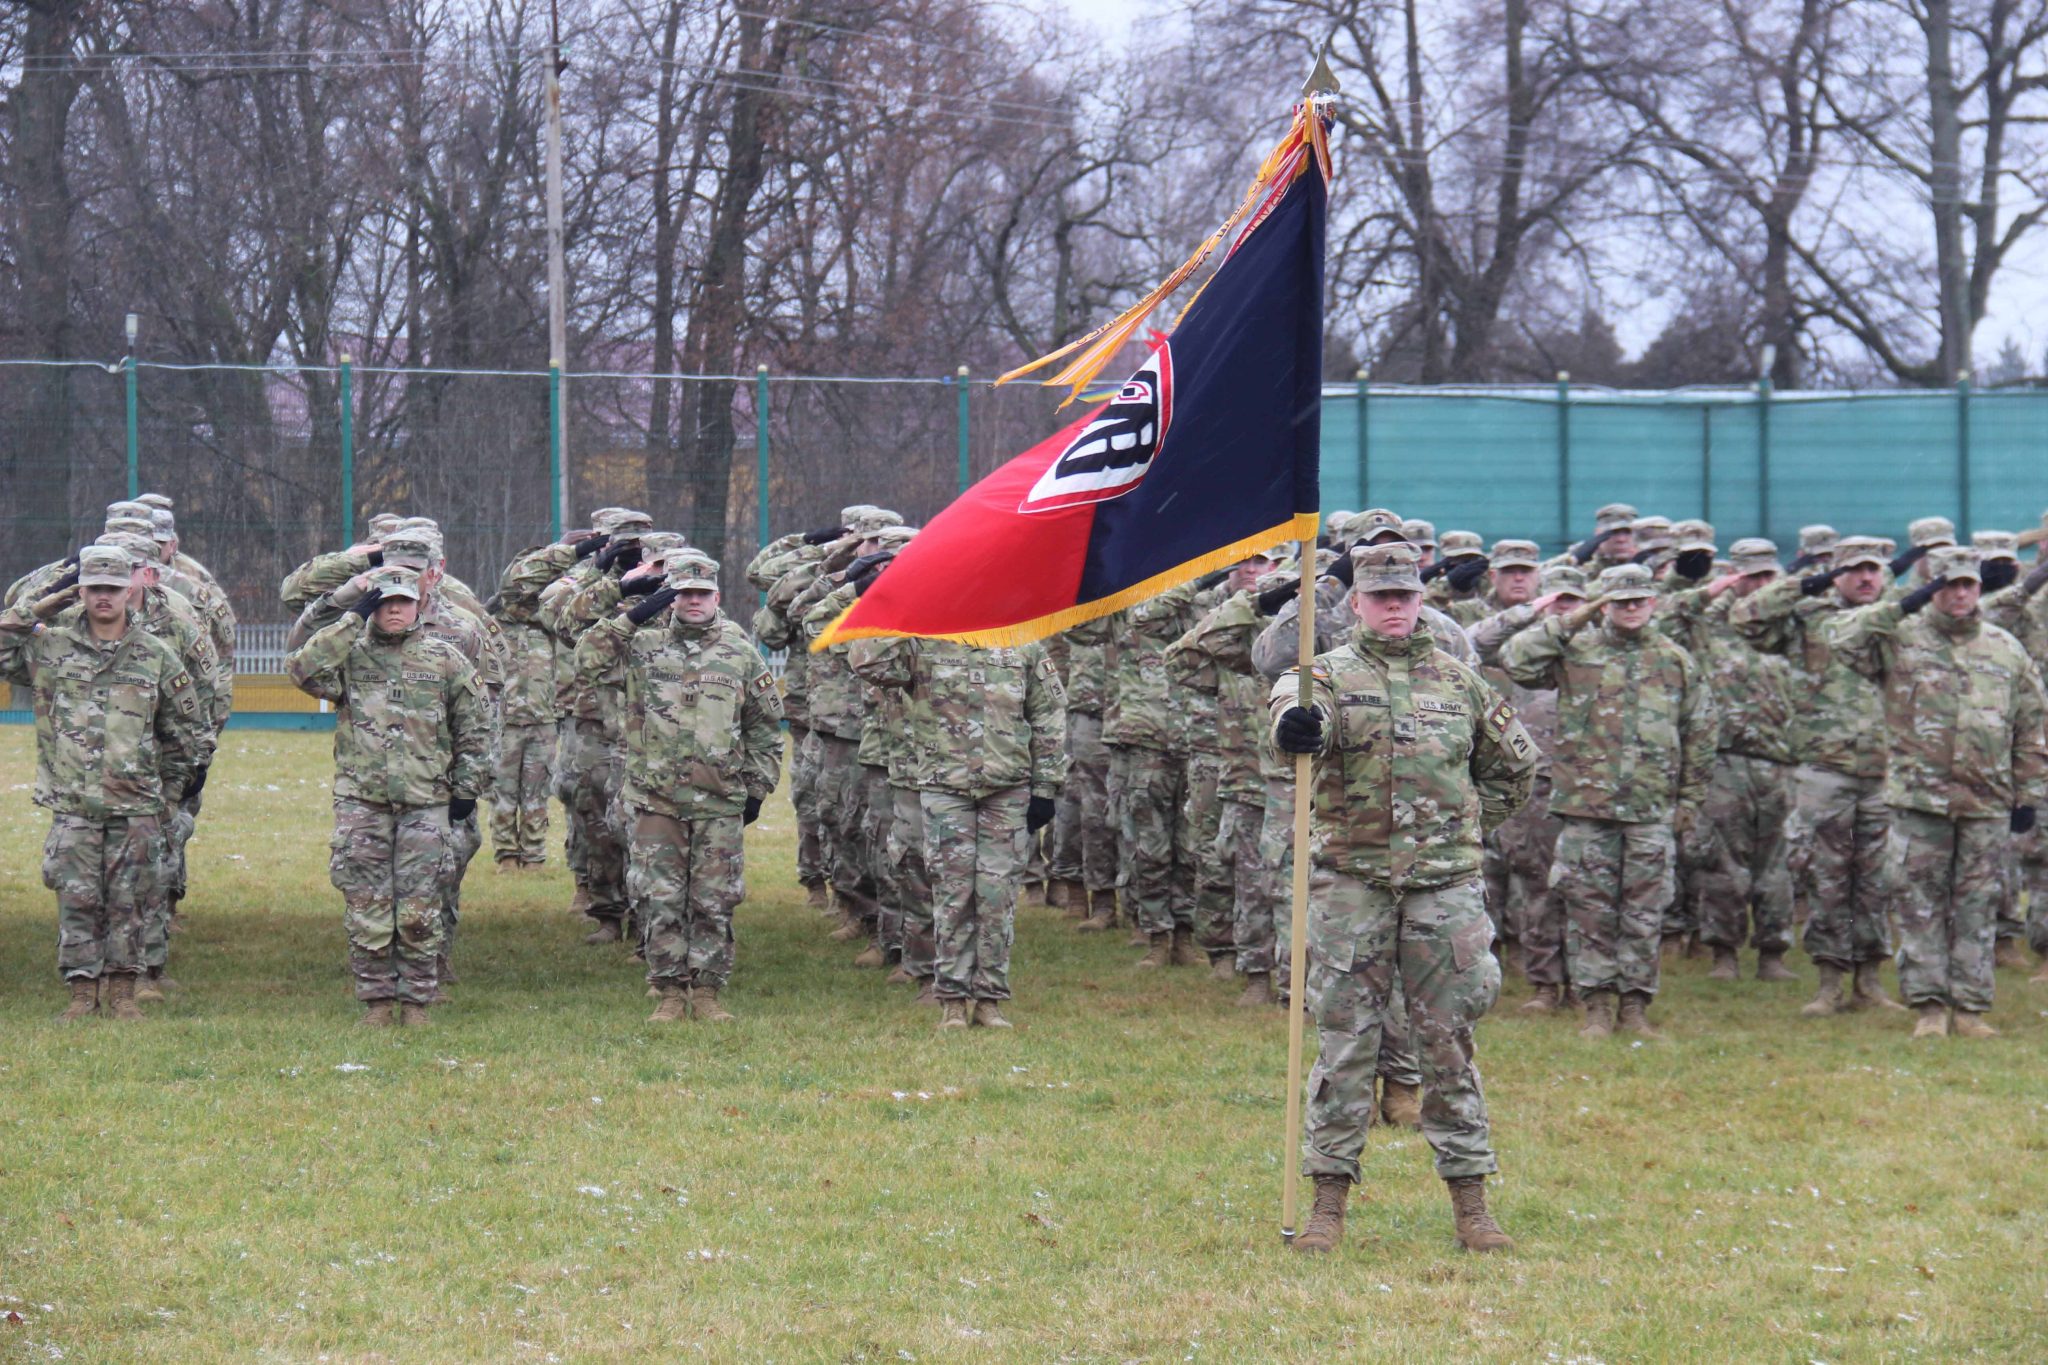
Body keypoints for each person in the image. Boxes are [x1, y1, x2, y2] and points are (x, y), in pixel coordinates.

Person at [1270, 542, 1536, 1255]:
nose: (1394, 606)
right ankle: (1327, 1204)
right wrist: (1298, 728)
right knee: (1345, 1044)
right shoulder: (1322, 675)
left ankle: (1472, 1205)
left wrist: (1463, 828)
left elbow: (1515, 767)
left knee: (1449, 1045)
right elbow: (1293, 723)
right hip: (1352, 885)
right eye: (1381, 595)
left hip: (1443, 892)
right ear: (1356, 602)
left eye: (1405, 595)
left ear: (1422, 600)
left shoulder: (1460, 681)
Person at [1826, 547, 2048, 1038]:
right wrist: (1902, 605)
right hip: (1919, 800)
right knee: (1918, 905)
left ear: (1979, 588)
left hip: (1986, 802)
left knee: (1977, 907)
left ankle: (1969, 1009)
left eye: (1968, 584)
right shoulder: (1899, 639)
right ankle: (1928, 1007)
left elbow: (2032, 724)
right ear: (1932, 589)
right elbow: (1841, 638)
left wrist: (2028, 795)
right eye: (1948, 585)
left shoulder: (2004, 648)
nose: (1960, 594)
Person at [1501, 563, 1716, 1039]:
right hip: (1586, 810)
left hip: (1650, 809)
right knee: (1588, 912)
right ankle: (1595, 1007)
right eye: (1620, 601)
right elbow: (1516, 659)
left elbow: (1700, 731)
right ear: (1603, 605)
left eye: (1639, 599)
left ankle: (1635, 1006)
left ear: (1654, 602)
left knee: (1644, 914)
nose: (1631, 607)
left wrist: (1689, 800)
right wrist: (1574, 618)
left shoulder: (1674, 659)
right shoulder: (1578, 650)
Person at [0, 546, 207, 1021]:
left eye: (113, 588)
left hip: (136, 808)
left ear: (129, 589)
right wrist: (36, 606)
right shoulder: (51, 647)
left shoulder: (155, 654)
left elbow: (182, 734)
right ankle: (81, 992)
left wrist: (168, 797)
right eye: (94, 588)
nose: (104, 597)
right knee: (76, 901)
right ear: (81, 592)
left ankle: (123, 994)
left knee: (130, 902)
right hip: (74, 804)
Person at [575, 551, 782, 1022]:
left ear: (717, 598)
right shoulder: (643, 646)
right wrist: (633, 616)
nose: (693, 601)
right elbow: (587, 659)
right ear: (670, 598)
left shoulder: (739, 653)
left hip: (719, 801)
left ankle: (707, 992)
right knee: (659, 898)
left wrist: (756, 789)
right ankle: (669, 990)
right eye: (683, 593)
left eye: (701, 594)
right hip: (657, 800)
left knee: (715, 900)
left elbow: (766, 728)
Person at [851, 580, 1067, 1028]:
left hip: (1006, 790)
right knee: (951, 894)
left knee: (996, 896)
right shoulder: (925, 641)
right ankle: (950, 997)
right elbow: (866, 661)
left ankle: (989, 999)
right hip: (945, 789)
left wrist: (1045, 787)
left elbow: (1048, 714)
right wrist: (903, 602)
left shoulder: (1023, 641)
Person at [288, 565, 490, 1026]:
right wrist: (350, 618)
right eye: (384, 603)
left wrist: (466, 789)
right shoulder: (351, 655)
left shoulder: (444, 659)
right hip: (363, 801)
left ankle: (417, 1001)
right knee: (367, 906)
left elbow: (475, 728)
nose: (394, 610)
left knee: (420, 907)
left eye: (403, 602)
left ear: (418, 606)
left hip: (426, 802)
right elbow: (301, 669)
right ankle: (377, 1002)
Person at [1731, 534, 1906, 1014]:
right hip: (1824, 769)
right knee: (1826, 876)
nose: (1866, 578)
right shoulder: (1807, 619)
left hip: (1885, 769)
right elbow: (1746, 618)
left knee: (1877, 880)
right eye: (1855, 570)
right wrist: (1805, 582)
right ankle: (1829, 983)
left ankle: (1869, 981)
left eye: (1873, 569)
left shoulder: (1898, 619)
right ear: (1836, 574)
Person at [1658, 538, 1800, 983]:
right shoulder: (1706, 622)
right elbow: (1662, 618)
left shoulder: (1791, 625)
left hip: (1780, 762)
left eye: (1767, 577)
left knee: (1778, 863)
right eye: (1749, 577)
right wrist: (1704, 588)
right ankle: (1724, 953)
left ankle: (1773, 953)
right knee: (1721, 863)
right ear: (1732, 578)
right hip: (1723, 761)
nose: (1759, 586)